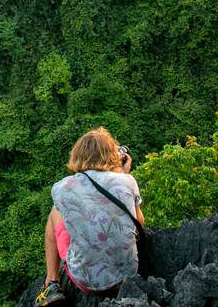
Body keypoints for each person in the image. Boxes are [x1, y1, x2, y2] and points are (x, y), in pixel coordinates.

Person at [35, 127, 144, 305]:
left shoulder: (62, 188)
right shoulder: (128, 181)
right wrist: (123, 175)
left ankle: (51, 284)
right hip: (127, 276)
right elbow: (139, 223)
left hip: (86, 282)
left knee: (55, 214)